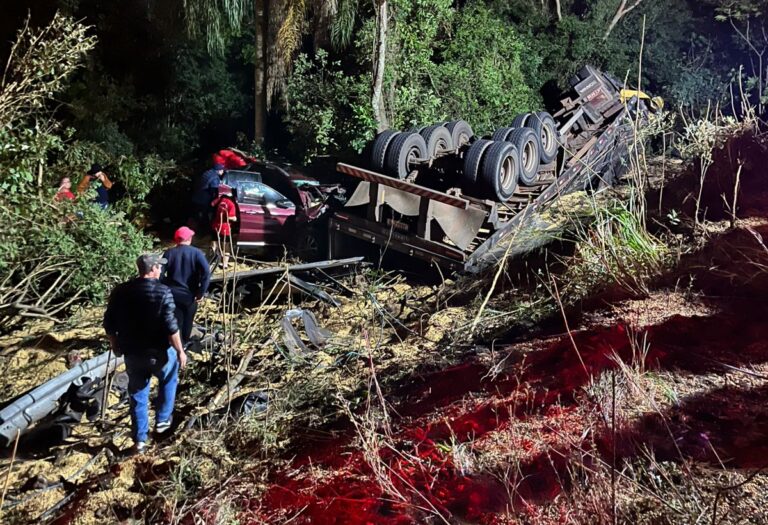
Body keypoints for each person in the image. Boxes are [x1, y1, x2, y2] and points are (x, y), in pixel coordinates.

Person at [103, 254, 187, 453]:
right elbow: (171, 326)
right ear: (154, 269)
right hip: (159, 352)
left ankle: (140, 440)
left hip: (133, 352)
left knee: (138, 394)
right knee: (168, 380)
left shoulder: (121, 291)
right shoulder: (163, 291)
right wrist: (180, 350)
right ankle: (163, 421)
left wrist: (115, 344)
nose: (161, 270)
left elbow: (109, 321)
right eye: (160, 267)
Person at [162, 226, 211, 346]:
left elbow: (160, 274)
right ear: (189, 239)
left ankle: (173, 347)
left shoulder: (169, 253)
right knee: (187, 322)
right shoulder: (197, 253)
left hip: (171, 294)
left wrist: (164, 287)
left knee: (173, 322)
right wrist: (201, 291)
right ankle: (183, 346)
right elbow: (206, 273)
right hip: (190, 295)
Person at [190, 163, 224, 230]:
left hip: (196, 197)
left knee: (196, 215)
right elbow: (214, 190)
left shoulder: (207, 173)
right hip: (204, 200)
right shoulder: (215, 177)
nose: (223, 171)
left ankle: (195, 228)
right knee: (205, 215)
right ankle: (204, 230)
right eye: (222, 170)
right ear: (219, 170)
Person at [210, 194, 237, 269]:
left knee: (214, 245)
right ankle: (224, 264)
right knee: (226, 246)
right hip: (225, 228)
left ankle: (212, 262)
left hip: (215, 226)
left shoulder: (219, 200)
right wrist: (235, 218)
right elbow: (231, 217)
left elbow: (212, 204)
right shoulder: (231, 204)